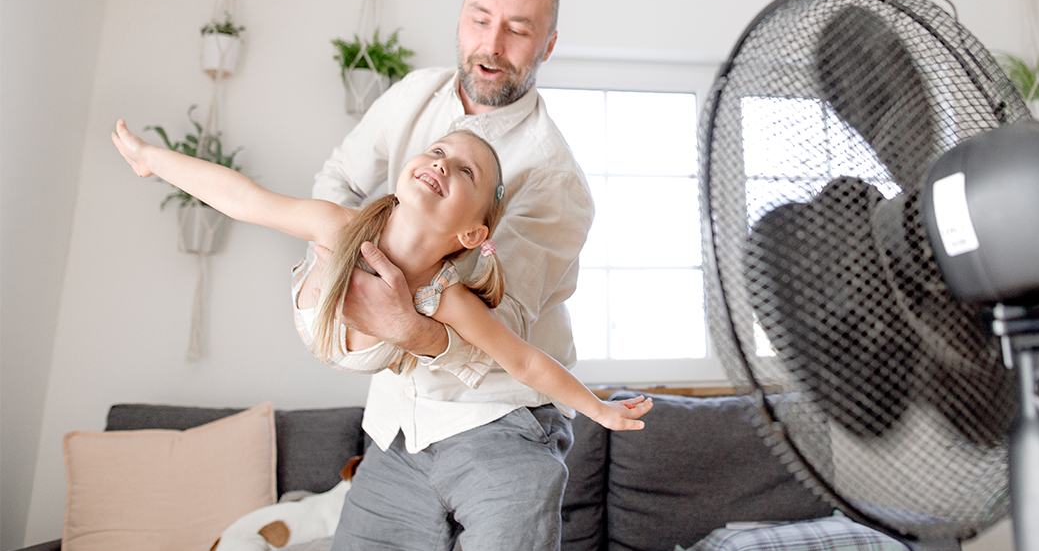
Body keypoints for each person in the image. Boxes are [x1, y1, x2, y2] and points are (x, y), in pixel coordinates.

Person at [308, 0, 606, 551]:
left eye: (518, 30)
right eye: (480, 19)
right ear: (461, 20)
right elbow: (336, 179)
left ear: (547, 45)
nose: (491, 46)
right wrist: (342, 266)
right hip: (397, 428)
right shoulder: (414, 94)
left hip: (501, 425)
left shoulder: (556, 180)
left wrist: (407, 325)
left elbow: (506, 332)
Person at [110, 120, 652, 434]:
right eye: (439, 151)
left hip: (369, 347)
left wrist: (598, 408)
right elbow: (241, 198)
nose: (443, 163)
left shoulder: (446, 298)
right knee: (314, 230)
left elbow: (525, 360)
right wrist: (150, 158)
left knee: (434, 328)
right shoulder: (338, 226)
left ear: (471, 233)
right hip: (315, 305)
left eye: (466, 171)